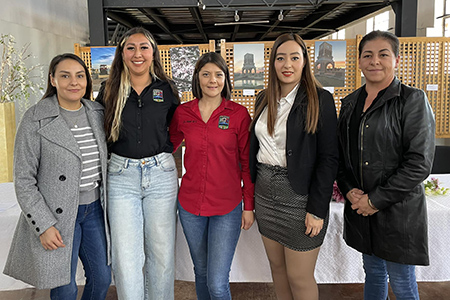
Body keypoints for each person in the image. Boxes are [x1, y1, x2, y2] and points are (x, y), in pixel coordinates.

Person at [3, 53, 111, 299]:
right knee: (65, 286)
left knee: (102, 277)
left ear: (87, 80)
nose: (73, 82)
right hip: (57, 215)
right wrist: (44, 225)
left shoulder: (96, 112)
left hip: (94, 210)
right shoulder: (35, 118)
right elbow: (24, 180)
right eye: (65, 76)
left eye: (79, 76)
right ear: (52, 79)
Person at [336, 30, 435, 300]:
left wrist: (375, 200)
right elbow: (342, 157)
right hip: (361, 209)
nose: (374, 61)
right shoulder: (350, 103)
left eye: (383, 54)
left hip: (398, 211)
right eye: (367, 55)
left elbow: (419, 163)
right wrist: (349, 190)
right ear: (359, 61)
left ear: (397, 60)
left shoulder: (412, 100)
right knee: (374, 273)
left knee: (402, 281)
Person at [249, 33, 339, 299]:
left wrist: (317, 208)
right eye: (280, 58)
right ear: (273, 63)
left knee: (299, 277)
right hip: (265, 193)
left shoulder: (320, 99)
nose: (287, 64)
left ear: (304, 62)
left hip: (300, 196)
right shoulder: (263, 98)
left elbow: (328, 158)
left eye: (294, 57)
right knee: (277, 270)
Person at [96, 27, 180, 300]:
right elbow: (99, 130)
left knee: (162, 253)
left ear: (153, 52)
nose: (137, 53)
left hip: (161, 176)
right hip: (121, 177)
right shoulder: (108, 90)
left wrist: (164, 154)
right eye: (130, 47)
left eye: (144, 47)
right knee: (126, 256)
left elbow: (177, 128)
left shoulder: (166, 89)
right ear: (122, 53)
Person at [170, 52, 255, 299]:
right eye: (206, 74)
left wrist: (248, 205)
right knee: (201, 271)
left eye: (218, 75)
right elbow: (167, 146)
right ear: (197, 78)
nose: (212, 80)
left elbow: (246, 164)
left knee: (217, 283)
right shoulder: (183, 113)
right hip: (190, 205)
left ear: (226, 79)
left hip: (226, 207)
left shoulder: (238, 114)